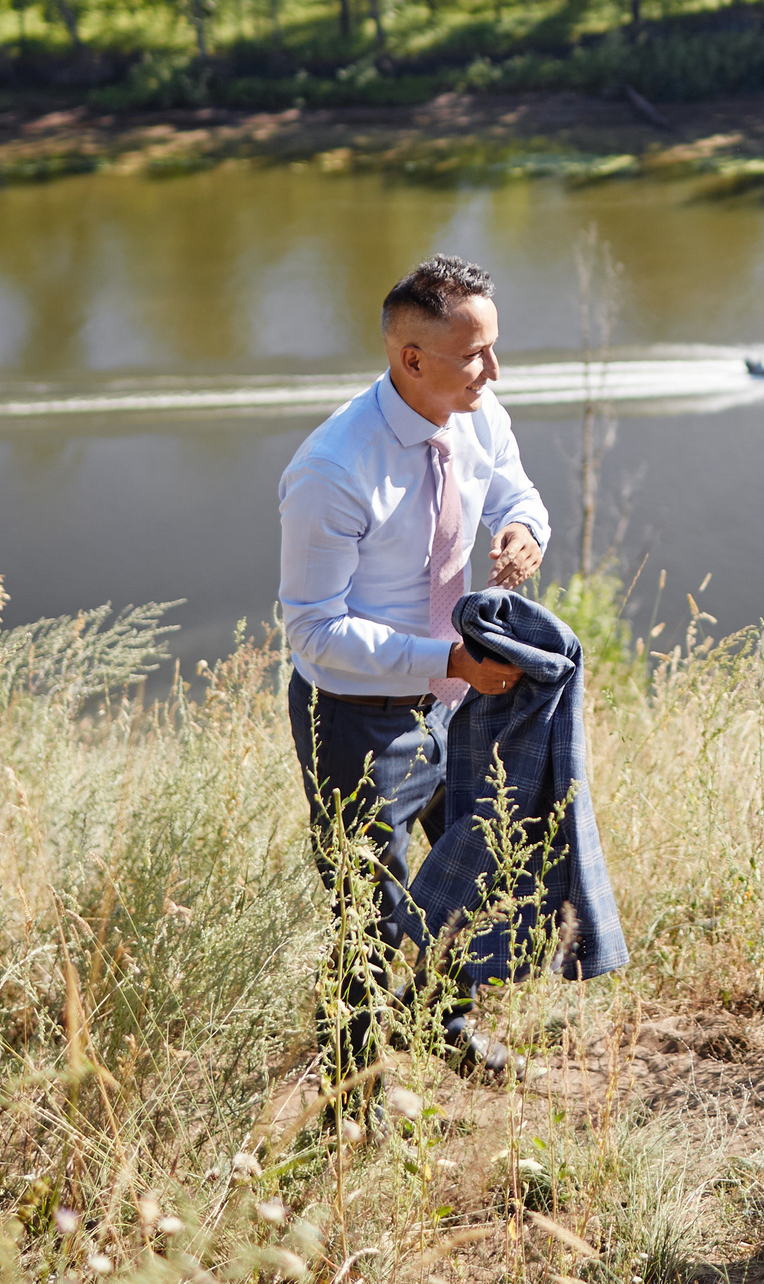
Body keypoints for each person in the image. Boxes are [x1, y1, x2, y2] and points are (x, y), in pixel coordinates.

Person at [278, 255, 547, 1081]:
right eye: (474, 356)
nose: (493, 372)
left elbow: (515, 493)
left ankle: (443, 1023)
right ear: (410, 359)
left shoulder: (477, 410)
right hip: (359, 722)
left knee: (468, 873)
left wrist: (524, 531)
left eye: (493, 349)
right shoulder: (332, 471)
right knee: (372, 916)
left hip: (453, 702)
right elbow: (313, 632)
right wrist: (447, 657)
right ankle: (350, 1100)